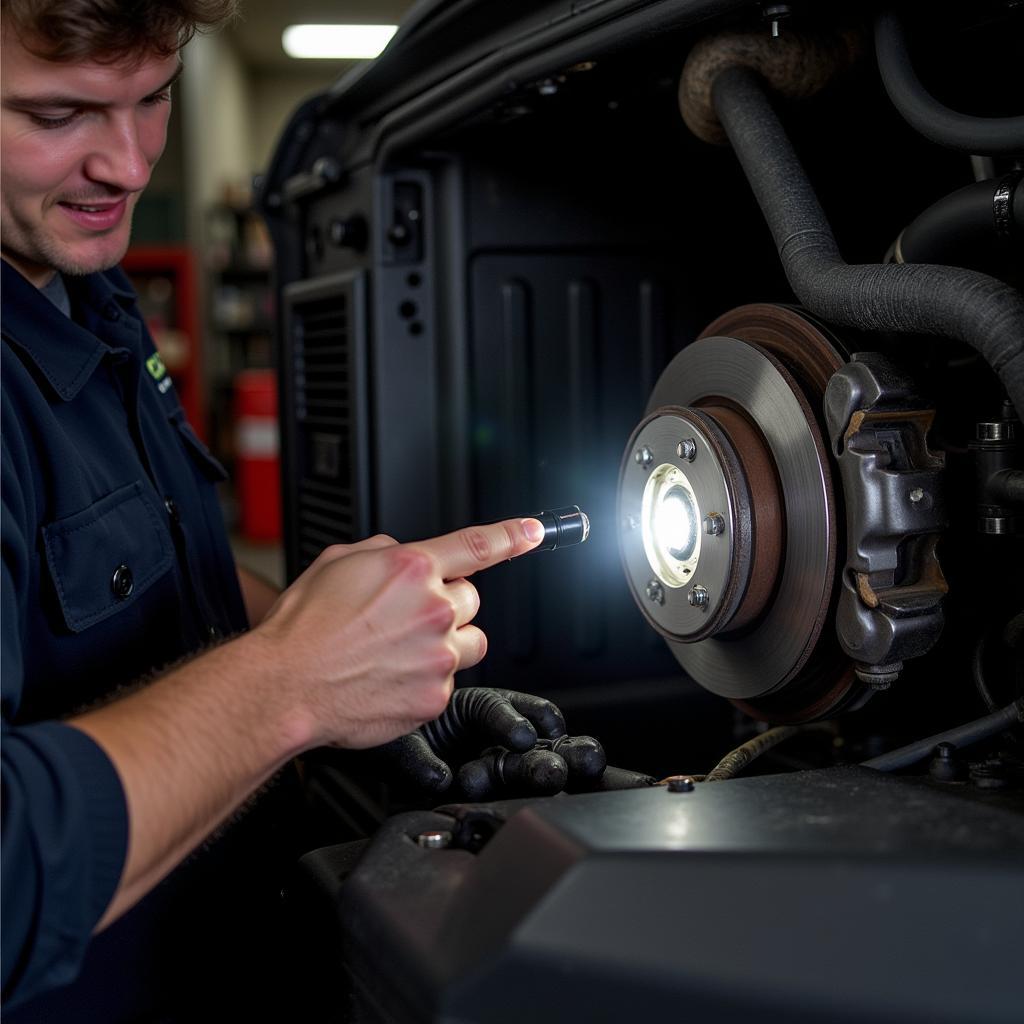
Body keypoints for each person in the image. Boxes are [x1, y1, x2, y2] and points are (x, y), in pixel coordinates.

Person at [1, 1, 597, 1016]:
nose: (131, 166)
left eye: (151, 101)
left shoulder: (83, 293)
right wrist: (295, 682)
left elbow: (149, 566)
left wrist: (354, 663)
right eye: (59, 115)